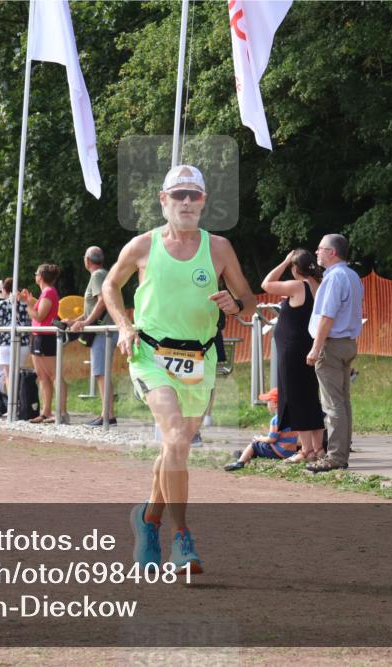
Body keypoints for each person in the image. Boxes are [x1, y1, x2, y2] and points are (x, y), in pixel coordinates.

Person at [103, 164, 256, 574]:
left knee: (177, 446)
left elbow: (248, 300)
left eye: (193, 195)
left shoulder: (219, 248)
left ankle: (148, 518)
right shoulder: (142, 246)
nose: (186, 202)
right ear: (163, 200)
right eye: (178, 195)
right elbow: (110, 285)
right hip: (151, 355)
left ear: (204, 201)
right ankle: (182, 539)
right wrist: (123, 325)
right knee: (173, 436)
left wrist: (235, 305)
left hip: (200, 359)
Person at [305, 234, 363, 473]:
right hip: (348, 342)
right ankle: (342, 450)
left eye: (320, 249)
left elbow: (327, 316)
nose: (317, 252)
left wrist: (315, 348)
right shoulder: (352, 276)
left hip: (332, 344)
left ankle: (336, 456)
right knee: (343, 400)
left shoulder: (334, 278)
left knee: (332, 403)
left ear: (332, 253)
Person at [262, 248, 326, 463]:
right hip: (308, 346)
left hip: (292, 349)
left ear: (295, 268)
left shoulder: (298, 285)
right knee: (311, 398)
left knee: (296, 398)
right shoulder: (318, 285)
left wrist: (284, 260)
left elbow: (266, 283)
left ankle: (306, 450)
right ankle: (319, 449)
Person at [66, 246, 116, 426]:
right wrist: (76, 320)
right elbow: (93, 307)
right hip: (103, 330)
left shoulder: (97, 276)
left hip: (103, 331)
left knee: (101, 373)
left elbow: (103, 301)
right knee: (101, 373)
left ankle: (107, 416)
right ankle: (107, 414)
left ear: (87, 260)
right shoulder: (102, 274)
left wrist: (86, 323)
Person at [20, 264, 68, 424]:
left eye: (36, 273)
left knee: (55, 375)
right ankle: (46, 412)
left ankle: (61, 412)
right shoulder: (45, 293)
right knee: (43, 377)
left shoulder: (48, 292)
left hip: (46, 337)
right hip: (38, 336)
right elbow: (41, 308)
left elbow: (40, 316)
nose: (35, 276)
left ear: (40, 277)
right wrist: (29, 300)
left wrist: (26, 305)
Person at [223, 388, 298, 470]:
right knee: (262, 446)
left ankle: (240, 462)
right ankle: (245, 454)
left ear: (275, 404)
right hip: (290, 451)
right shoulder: (291, 417)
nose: (267, 404)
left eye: (269, 401)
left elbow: (271, 439)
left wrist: (260, 438)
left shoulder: (275, 420)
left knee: (254, 445)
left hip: (279, 452)